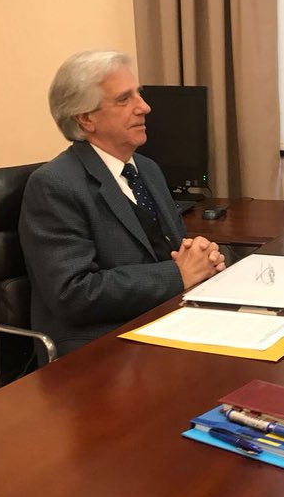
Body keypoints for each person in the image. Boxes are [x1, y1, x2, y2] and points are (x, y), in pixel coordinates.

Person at [19, 50, 225, 358]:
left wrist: (200, 256)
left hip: (163, 323)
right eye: (123, 99)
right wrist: (178, 275)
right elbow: (74, 293)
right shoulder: (54, 184)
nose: (145, 107)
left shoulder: (147, 169)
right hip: (97, 348)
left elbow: (168, 248)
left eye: (138, 95)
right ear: (85, 118)